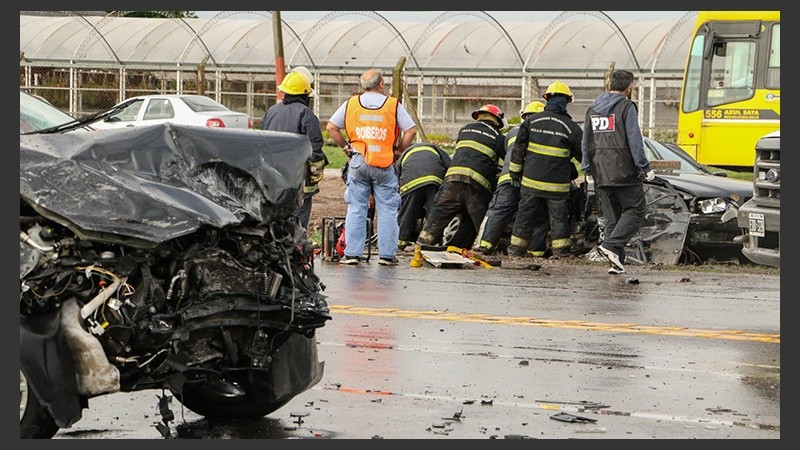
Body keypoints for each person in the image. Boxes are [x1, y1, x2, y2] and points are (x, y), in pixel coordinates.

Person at [326, 68, 417, 266]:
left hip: (359, 161)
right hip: (384, 163)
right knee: (387, 210)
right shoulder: (392, 105)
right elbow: (410, 130)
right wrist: (399, 150)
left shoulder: (351, 104)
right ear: (381, 84)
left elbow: (332, 127)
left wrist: (346, 147)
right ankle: (386, 256)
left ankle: (352, 254)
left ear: (362, 86)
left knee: (357, 208)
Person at [581, 69, 654, 275]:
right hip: (624, 171)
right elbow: (634, 139)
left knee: (613, 218)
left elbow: (585, 140)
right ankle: (611, 247)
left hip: (600, 172)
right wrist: (644, 166)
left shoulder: (592, 109)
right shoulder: (626, 106)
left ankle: (616, 262)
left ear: (609, 85)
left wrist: (587, 167)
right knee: (636, 210)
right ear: (629, 88)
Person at [506, 81, 583, 259]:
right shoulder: (571, 127)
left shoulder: (531, 121)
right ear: (567, 101)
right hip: (557, 187)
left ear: (547, 98)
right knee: (558, 220)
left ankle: (516, 251)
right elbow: (582, 156)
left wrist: (515, 174)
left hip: (530, 183)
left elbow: (518, 150)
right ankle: (561, 254)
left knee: (524, 217)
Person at [415, 104, 506, 248]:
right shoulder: (499, 137)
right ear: (497, 120)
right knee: (482, 224)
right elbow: (506, 159)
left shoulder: (465, 130)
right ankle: (484, 248)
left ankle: (421, 244)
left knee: (438, 216)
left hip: (452, 181)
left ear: (479, 117)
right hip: (477, 187)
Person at [473, 100, 545, 255]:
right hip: (532, 180)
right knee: (537, 213)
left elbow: (508, 154)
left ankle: (484, 245)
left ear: (524, 116)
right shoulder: (543, 131)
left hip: (508, 177)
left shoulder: (512, 132)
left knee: (498, 210)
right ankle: (534, 251)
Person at [260, 70, 326, 230]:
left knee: (275, 216)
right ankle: (295, 247)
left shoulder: (272, 111)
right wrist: (316, 170)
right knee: (298, 217)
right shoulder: (305, 113)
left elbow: (261, 139)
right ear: (305, 95)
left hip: (273, 175)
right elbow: (315, 144)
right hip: (298, 178)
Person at [395, 142, 452, 251]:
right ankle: (433, 243)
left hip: (410, 182)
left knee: (407, 212)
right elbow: (450, 165)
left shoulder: (405, 154)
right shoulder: (435, 149)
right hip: (434, 180)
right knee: (434, 213)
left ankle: (400, 242)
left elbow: (397, 177)